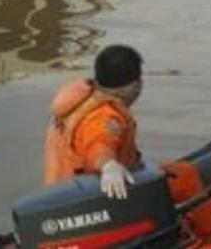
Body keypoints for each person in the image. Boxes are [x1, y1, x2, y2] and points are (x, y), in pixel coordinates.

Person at [44, 45, 144, 199]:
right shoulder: (105, 117)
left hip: (59, 193)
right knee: (186, 176)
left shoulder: (78, 100)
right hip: (87, 195)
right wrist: (108, 165)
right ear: (135, 86)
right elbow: (99, 145)